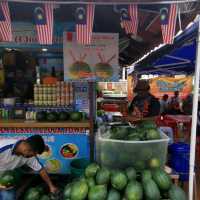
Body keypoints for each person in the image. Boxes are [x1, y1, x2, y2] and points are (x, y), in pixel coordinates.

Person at [0, 135, 57, 199]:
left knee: (8, 197)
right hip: (2, 177)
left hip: (7, 179)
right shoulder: (3, 147)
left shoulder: (29, 156)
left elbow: (41, 170)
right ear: (26, 146)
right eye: (33, 153)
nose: (33, 156)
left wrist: (51, 186)